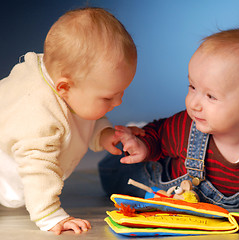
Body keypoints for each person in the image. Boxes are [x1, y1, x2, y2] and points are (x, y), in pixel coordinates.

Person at [98, 19, 239, 217]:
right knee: (115, 171)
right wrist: (144, 145)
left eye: (210, 96)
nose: (194, 103)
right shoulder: (187, 125)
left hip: (213, 208)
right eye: (192, 87)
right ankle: (135, 132)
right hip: (155, 181)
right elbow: (159, 133)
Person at [0, 7, 137, 234]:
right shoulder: (38, 116)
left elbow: (85, 115)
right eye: (108, 97)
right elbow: (38, 169)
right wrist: (50, 215)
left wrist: (103, 134)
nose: (119, 102)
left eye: (121, 92)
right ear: (64, 87)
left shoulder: (70, 83)